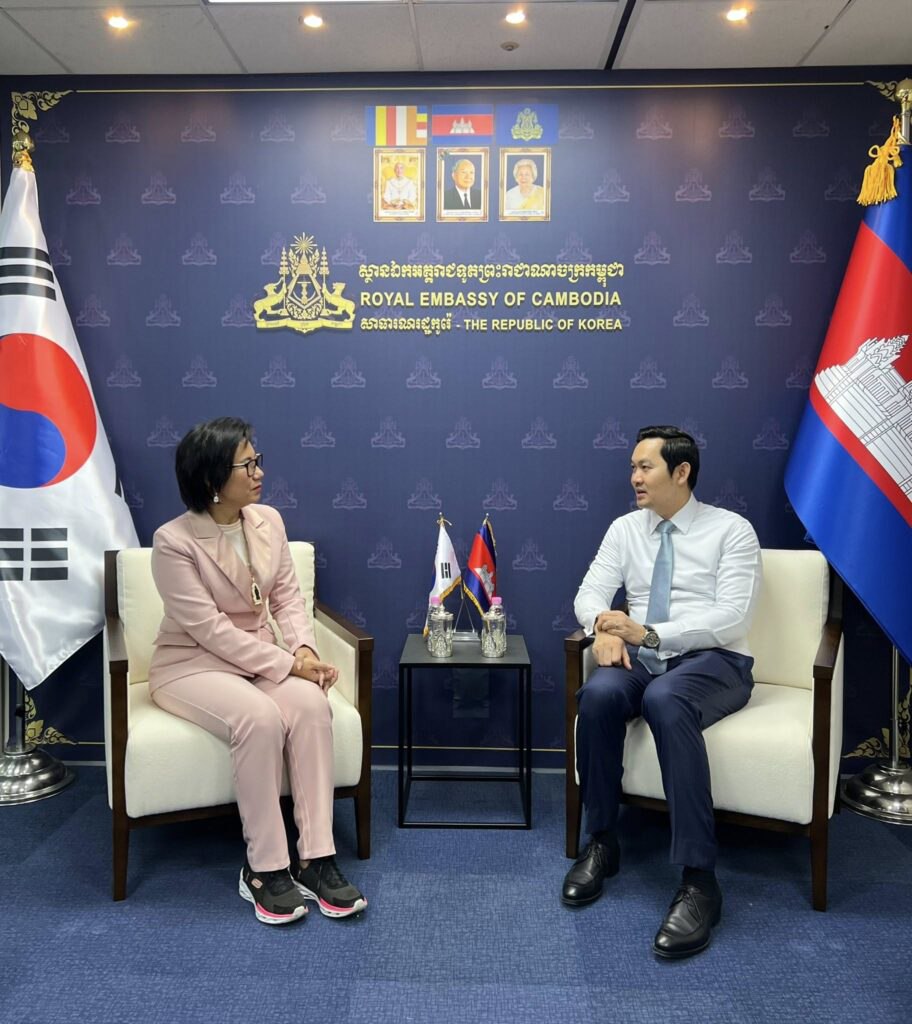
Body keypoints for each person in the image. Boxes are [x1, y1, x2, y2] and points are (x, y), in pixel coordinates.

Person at [148, 417, 367, 926]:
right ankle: (265, 868)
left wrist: (304, 651)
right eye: (246, 465)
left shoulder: (268, 521)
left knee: (311, 704)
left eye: (257, 460)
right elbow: (210, 632)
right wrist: (288, 664)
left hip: (261, 658)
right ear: (211, 480)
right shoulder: (173, 542)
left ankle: (315, 858)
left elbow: (288, 598)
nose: (259, 472)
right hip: (191, 664)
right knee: (259, 717)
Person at [563, 425, 761, 959]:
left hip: (715, 661)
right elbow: (590, 593)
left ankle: (700, 881)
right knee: (598, 696)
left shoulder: (731, 531)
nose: (634, 477)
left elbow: (732, 616)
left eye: (645, 467)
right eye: (633, 467)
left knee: (664, 699)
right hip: (643, 657)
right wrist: (603, 628)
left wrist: (648, 633)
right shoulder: (625, 529)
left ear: (682, 472)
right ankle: (602, 843)